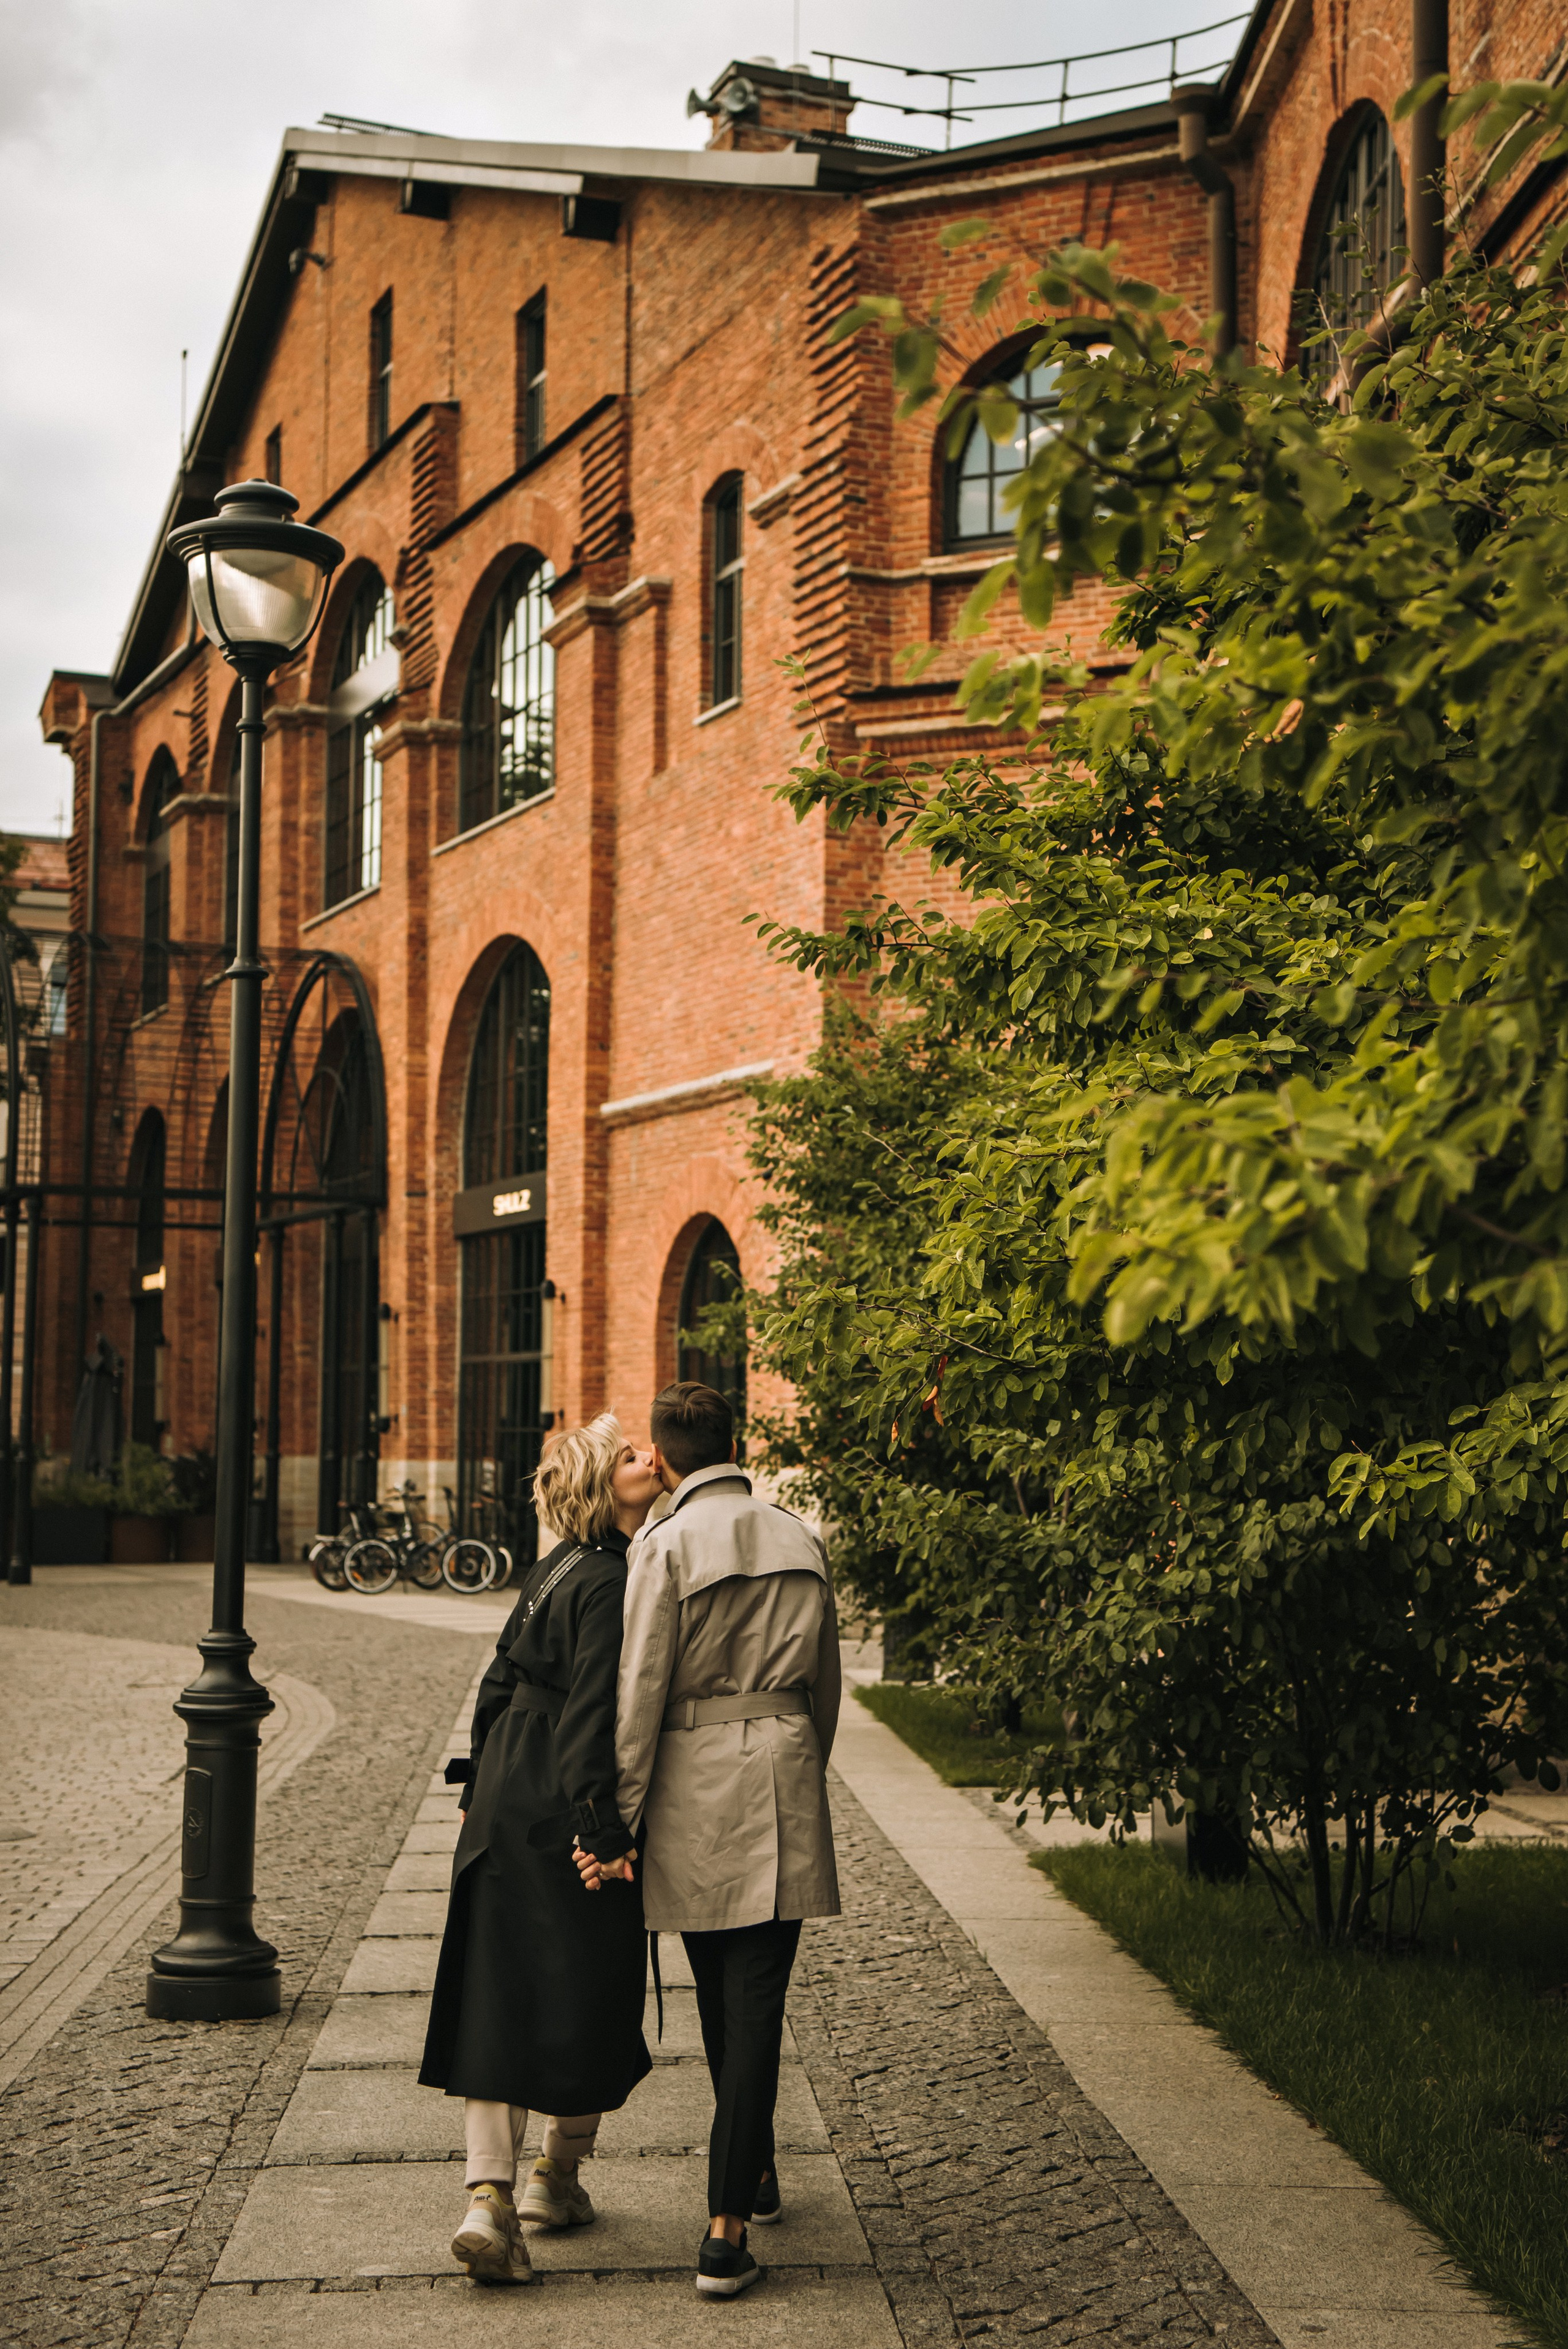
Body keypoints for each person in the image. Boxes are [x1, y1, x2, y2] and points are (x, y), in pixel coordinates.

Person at [576, 1379, 841, 2301]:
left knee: (725, 1999)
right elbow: (829, 1686)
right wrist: (802, 1767)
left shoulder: (664, 1542)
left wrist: (620, 1818)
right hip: (784, 1771)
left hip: (694, 1788)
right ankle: (754, 2170)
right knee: (757, 1995)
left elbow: (640, 1689)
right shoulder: (801, 1534)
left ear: (670, 1458)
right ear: (737, 1443)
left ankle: (724, 2227)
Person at [420, 1415, 665, 2285]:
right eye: (631, 1455)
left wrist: (472, 1788)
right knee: (593, 1987)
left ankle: (489, 2196)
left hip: (503, 1792)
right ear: (606, 1486)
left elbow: (494, 1681)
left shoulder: (549, 1567)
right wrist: (604, 1830)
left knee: (496, 1990)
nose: (650, 1458)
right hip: (563, 1795)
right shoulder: (606, 1577)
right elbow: (596, 1710)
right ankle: (554, 2177)